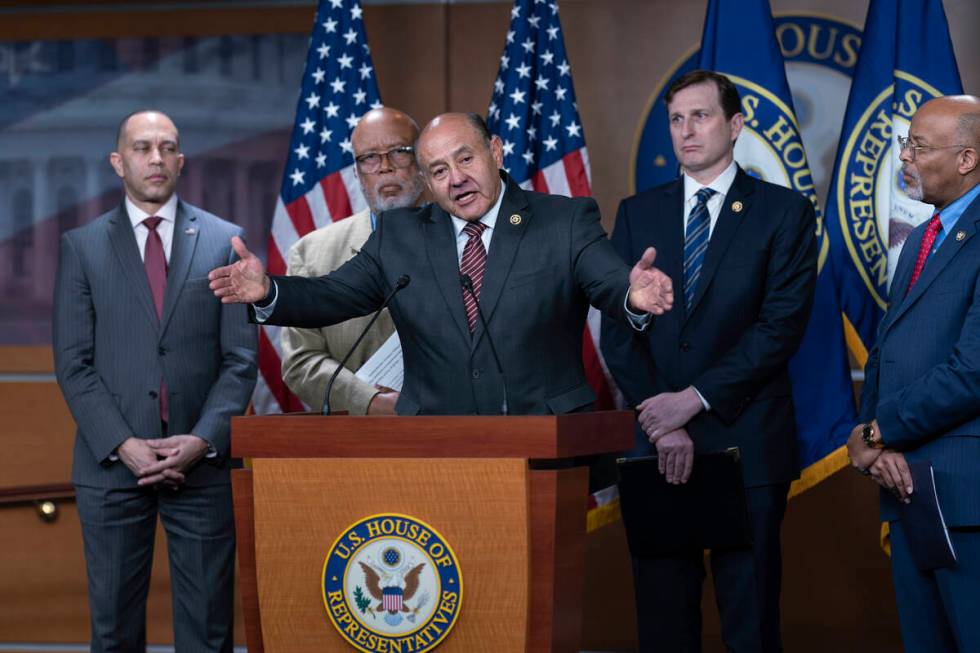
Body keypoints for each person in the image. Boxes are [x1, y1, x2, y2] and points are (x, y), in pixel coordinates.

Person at [209, 112, 673, 416]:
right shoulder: (402, 234)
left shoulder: (564, 219)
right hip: (434, 446)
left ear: (495, 151)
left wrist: (631, 296)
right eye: (438, 171)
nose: (456, 180)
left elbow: (606, 279)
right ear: (427, 182)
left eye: (465, 159)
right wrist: (269, 291)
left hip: (540, 444)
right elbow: (333, 294)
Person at [600, 70, 817, 652]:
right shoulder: (636, 214)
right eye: (676, 119)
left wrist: (689, 403)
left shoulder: (784, 213)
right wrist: (658, 415)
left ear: (736, 124)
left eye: (701, 116)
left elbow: (779, 330)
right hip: (655, 446)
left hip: (745, 443)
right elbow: (619, 330)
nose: (686, 130)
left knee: (750, 625)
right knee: (664, 624)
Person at [53, 110, 257, 652]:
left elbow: (240, 360)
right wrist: (124, 444)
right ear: (119, 162)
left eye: (168, 148)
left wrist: (203, 439)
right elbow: (73, 362)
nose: (156, 158)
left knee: (209, 632)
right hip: (113, 470)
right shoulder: (82, 246)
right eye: (142, 148)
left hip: (202, 466)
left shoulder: (223, 240)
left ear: (181, 161)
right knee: (114, 632)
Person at [847, 95, 980, 653]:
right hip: (908, 490)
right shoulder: (924, 235)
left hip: (966, 498)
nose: (904, 157)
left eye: (918, 147)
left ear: (967, 158)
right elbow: (888, 353)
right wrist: (877, 446)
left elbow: (972, 371)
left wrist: (878, 431)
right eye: (906, 143)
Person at [280, 107, 424, 414]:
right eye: (369, 157)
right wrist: (369, 402)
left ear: (421, 161)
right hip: (356, 441)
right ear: (356, 172)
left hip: (455, 435)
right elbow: (301, 360)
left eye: (399, 152)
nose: (385, 167)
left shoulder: (468, 240)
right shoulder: (310, 254)